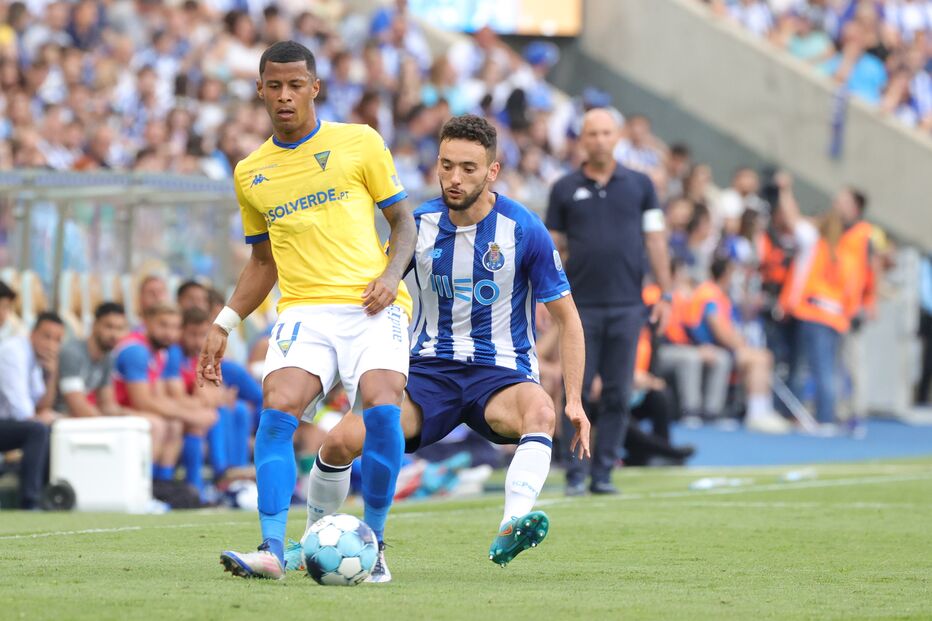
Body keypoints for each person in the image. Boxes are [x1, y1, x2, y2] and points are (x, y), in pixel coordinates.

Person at [291, 114, 590, 579]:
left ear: (492, 171)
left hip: (500, 373)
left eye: (469, 168)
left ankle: (512, 523)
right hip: (429, 371)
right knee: (340, 442)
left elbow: (569, 321)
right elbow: (374, 300)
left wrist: (574, 400)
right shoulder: (417, 226)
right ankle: (312, 541)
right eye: (447, 165)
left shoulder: (524, 229)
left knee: (541, 413)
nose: (455, 178)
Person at [198, 41, 416, 581]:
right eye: (275, 86)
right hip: (304, 311)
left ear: (315, 88)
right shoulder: (251, 173)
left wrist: (391, 277)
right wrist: (224, 323)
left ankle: (377, 543)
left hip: (371, 303)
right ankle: (273, 549)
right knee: (277, 410)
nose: (285, 96)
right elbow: (262, 262)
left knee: (383, 408)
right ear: (260, 91)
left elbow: (404, 225)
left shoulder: (359, 143)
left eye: (296, 85)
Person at [546, 107, 671, 496]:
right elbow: (553, 247)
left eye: (605, 133)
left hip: (626, 305)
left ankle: (603, 473)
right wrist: (545, 296)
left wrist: (665, 293)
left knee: (618, 392)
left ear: (617, 137)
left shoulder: (640, 185)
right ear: (582, 140)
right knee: (575, 392)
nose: (599, 140)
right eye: (592, 134)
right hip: (578, 309)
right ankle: (574, 473)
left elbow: (655, 240)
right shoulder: (564, 188)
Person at [113, 304, 214, 483]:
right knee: (158, 424)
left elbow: (158, 397)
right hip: (113, 409)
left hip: (130, 409)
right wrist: (190, 415)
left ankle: (163, 485)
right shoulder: (136, 350)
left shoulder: (160, 353)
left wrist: (190, 412)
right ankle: (144, 486)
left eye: (175, 327)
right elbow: (142, 402)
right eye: (163, 325)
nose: (170, 333)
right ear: (148, 323)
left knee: (174, 424)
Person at [686, 258, 789, 433]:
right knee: (758, 358)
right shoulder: (710, 294)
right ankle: (756, 413)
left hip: (717, 346)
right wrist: (740, 344)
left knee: (763, 356)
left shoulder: (718, 294)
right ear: (726, 274)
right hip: (706, 346)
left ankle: (762, 408)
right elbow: (718, 328)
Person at [779, 211, 858, 427]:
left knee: (804, 368)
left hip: (813, 313)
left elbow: (796, 223)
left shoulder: (816, 247)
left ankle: (816, 416)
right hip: (836, 317)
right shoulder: (848, 256)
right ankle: (828, 414)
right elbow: (851, 291)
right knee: (830, 369)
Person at [0, 312, 66, 509]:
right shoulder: (13, 352)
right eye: (46, 336)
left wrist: (52, 372)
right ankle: (31, 501)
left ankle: (50, 495)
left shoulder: (35, 360)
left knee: (50, 428)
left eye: (57, 340)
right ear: (32, 334)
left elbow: (43, 405)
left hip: (7, 425)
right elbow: (23, 413)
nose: (51, 345)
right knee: (37, 430)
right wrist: (42, 418)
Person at [55, 302, 130, 417]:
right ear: (95, 325)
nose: (114, 334)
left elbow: (107, 405)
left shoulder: (108, 357)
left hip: (78, 419)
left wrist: (135, 416)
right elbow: (78, 407)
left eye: (120, 328)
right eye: (109, 326)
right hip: (57, 415)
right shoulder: (72, 352)